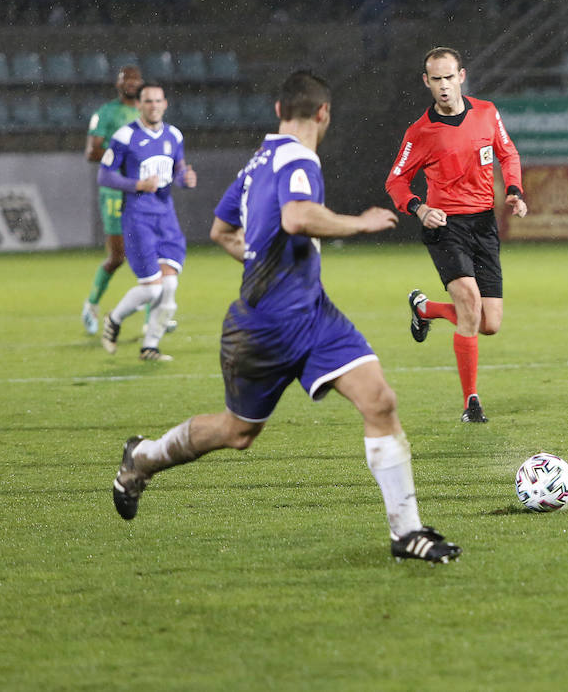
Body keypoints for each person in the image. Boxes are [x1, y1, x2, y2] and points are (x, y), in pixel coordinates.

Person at [111, 70, 460, 565]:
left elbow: (220, 230)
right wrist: (357, 222)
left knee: (379, 401)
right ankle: (142, 458)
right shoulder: (299, 158)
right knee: (238, 431)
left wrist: (265, 264)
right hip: (265, 326)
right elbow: (297, 216)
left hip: (312, 313)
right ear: (323, 113)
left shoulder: (259, 161)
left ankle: (406, 533)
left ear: (279, 110)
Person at [384, 45, 527, 423]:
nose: (444, 85)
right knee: (468, 302)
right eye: (437, 79)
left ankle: (425, 309)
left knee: (489, 322)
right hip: (445, 227)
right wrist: (419, 208)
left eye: (450, 77)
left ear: (461, 76)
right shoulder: (421, 132)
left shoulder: (487, 112)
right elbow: (396, 180)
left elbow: (508, 153)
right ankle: (471, 403)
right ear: (427, 82)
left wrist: (513, 190)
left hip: (484, 225)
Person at [96, 81, 196, 361]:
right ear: (139, 105)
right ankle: (114, 319)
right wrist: (137, 184)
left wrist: (185, 179)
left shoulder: (174, 135)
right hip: (138, 218)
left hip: (166, 218)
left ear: (165, 104)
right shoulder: (125, 136)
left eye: (158, 101)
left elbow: (178, 170)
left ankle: (150, 347)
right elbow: (105, 175)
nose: (154, 106)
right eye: (148, 101)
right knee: (152, 287)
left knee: (170, 286)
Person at [81, 64, 143, 334]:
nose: (130, 82)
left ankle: (155, 318)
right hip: (114, 192)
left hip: (141, 191)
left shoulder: (146, 113)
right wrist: (122, 153)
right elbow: (92, 153)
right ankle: (91, 304)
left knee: (149, 252)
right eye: (125, 78)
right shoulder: (106, 113)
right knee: (118, 256)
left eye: (134, 78)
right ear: (118, 84)